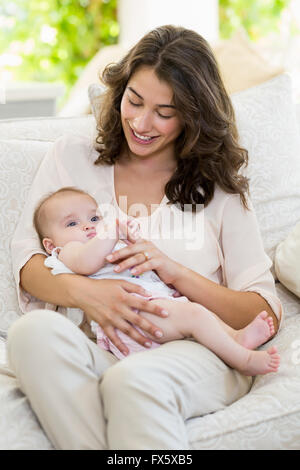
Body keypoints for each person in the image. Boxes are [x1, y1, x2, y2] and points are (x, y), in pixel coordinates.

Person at [7, 25, 283, 450]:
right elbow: (30, 262)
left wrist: (175, 273)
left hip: (194, 349)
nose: (140, 122)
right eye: (133, 101)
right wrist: (88, 294)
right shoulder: (71, 158)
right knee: (32, 335)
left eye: (164, 112)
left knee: (132, 382)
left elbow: (261, 307)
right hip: (101, 347)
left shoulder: (218, 189)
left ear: (193, 115)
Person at [33, 186, 279, 375]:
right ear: (50, 244)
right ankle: (243, 360)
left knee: (201, 312)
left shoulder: (102, 242)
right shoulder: (67, 252)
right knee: (194, 315)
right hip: (129, 320)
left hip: (148, 307)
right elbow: (86, 262)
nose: (88, 227)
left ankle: (234, 337)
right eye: (73, 223)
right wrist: (112, 231)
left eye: (94, 219)